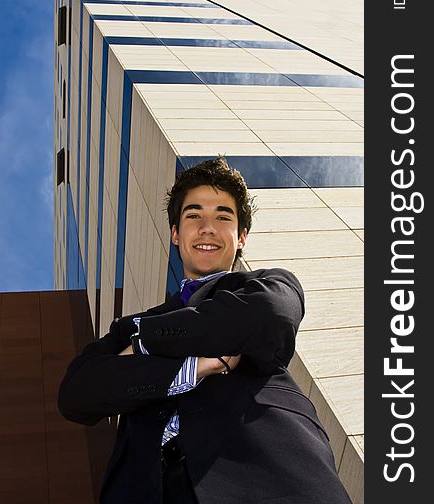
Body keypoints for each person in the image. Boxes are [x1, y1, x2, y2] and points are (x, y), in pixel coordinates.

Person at [58, 157, 352, 503]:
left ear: (241, 237)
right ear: (175, 234)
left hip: (267, 476)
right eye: (194, 215)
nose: (207, 227)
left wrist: (142, 346)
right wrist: (191, 367)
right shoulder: (128, 326)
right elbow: (76, 395)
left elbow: (268, 316)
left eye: (223, 217)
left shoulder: (267, 286)